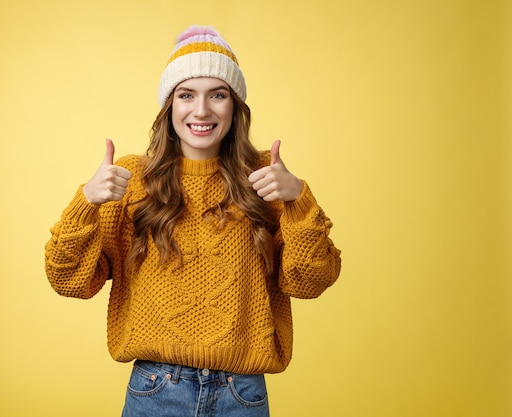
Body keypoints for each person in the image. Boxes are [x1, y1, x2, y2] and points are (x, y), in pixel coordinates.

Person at [45, 25, 341, 417]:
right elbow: (69, 282)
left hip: (242, 395)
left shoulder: (265, 179)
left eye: (217, 95)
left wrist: (298, 199)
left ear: (234, 107)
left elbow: (310, 281)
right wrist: (86, 201)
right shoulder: (132, 180)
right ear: (170, 108)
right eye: (186, 95)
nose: (201, 111)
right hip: (156, 390)